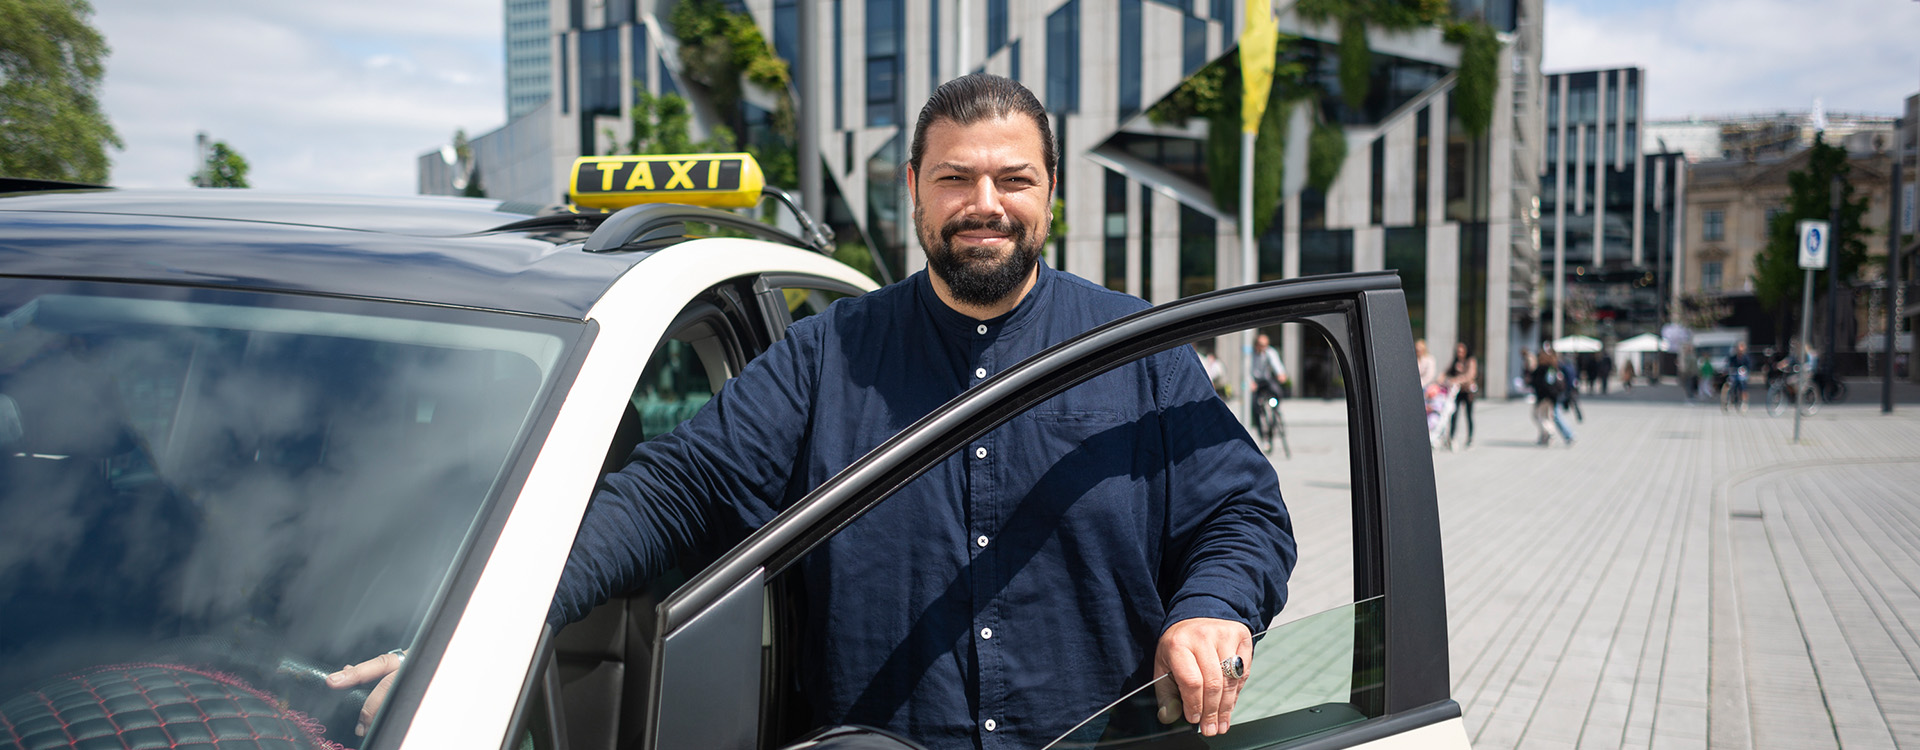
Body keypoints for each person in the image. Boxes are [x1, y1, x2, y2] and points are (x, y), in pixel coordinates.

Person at [329, 74, 1293, 748]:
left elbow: (1243, 515)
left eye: (1012, 179)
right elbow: (673, 491)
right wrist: (489, 627)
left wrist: (1212, 610)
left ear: (1051, 195)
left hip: (1101, 743)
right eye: (955, 177)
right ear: (913, 190)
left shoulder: (1137, 349)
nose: (983, 203)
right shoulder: (827, 354)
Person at [1528, 351, 1575, 446]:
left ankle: (1553, 434)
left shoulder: (1543, 369)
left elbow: (1542, 384)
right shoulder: (1552, 369)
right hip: (1552, 397)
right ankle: (1547, 436)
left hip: (1546, 398)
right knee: (1549, 417)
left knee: (1542, 417)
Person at [1250, 332, 1288, 436]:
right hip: (1255, 381)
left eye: (1266, 345)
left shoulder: (1270, 352)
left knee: (1277, 392)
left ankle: (1275, 416)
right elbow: (1247, 369)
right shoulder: (1250, 354)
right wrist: (1251, 382)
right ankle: (1261, 431)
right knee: (1254, 405)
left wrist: (1281, 374)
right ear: (1256, 344)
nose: (1264, 348)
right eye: (1262, 345)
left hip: (1266, 380)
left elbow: (1276, 363)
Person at [1444, 342, 1477, 448]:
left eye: (1462, 351)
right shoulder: (1456, 362)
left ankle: (1470, 438)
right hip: (1457, 392)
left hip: (1468, 392)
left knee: (1468, 415)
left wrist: (1455, 380)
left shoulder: (1470, 361)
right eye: (1458, 351)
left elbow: (1469, 376)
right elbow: (1447, 371)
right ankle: (1452, 437)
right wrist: (1442, 378)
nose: (1460, 353)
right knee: (1454, 414)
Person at [1725, 341, 1753, 412]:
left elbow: (1749, 366)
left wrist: (1745, 369)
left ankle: (1744, 402)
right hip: (1734, 374)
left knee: (1742, 385)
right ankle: (1731, 401)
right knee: (1731, 385)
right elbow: (1729, 365)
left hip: (1742, 375)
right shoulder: (1733, 357)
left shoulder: (1746, 358)